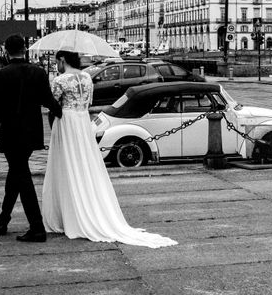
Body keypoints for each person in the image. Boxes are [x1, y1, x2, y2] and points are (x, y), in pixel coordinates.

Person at [42, 50, 176, 248]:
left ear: (62, 60)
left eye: (57, 62)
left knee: (66, 163)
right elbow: (88, 103)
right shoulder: (87, 77)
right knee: (85, 163)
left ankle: (69, 212)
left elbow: (52, 105)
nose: (56, 65)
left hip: (67, 121)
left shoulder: (60, 80)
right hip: (82, 121)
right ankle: (88, 206)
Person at [0, 34, 62, 243]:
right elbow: (49, 100)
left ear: (6, 51)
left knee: (22, 177)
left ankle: (37, 228)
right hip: (32, 134)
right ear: (25, 50)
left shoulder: (1, 75)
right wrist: (67, 114)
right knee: (16, 176)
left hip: (11, 134)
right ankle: (3, 220)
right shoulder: (39, 72)